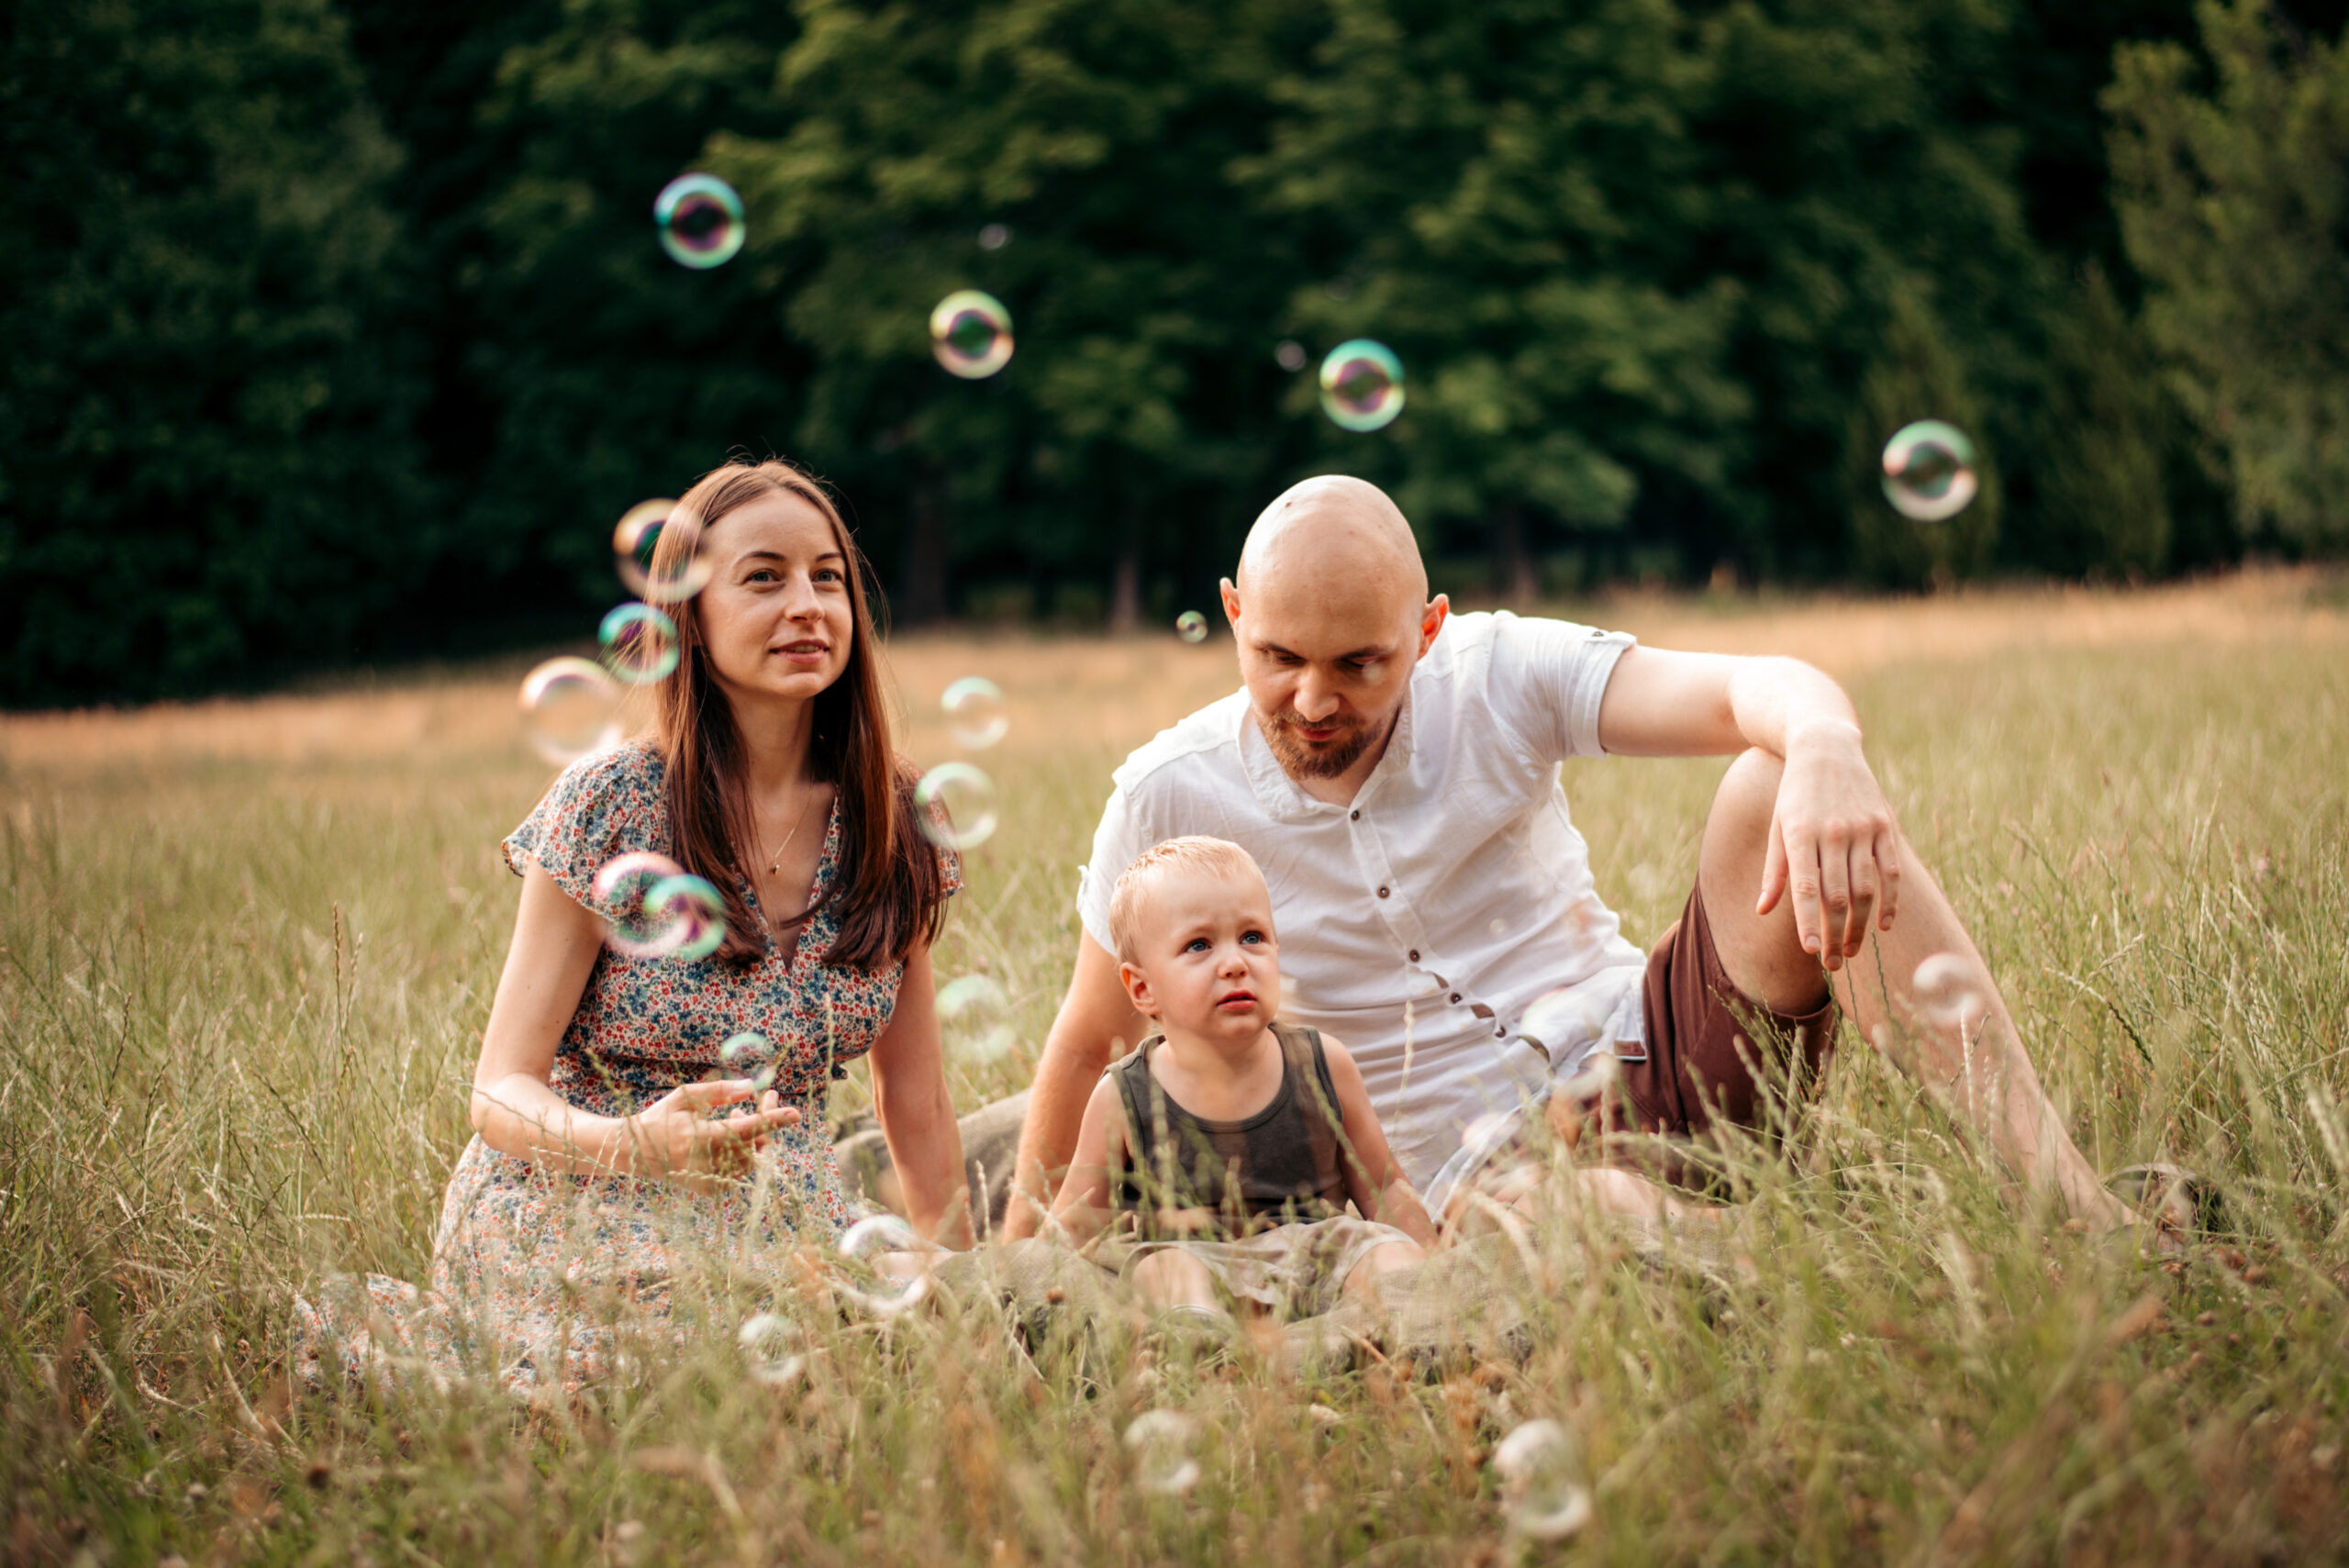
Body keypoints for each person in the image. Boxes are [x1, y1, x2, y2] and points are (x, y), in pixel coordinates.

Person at [1002, 474, 2135, 1240]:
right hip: (1473, 1187)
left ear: (1430, 628)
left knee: (1770, 772)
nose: (1312, 699)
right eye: (1277, 655)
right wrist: (1016, 1261)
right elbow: (1091, 1038)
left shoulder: (1500, 669)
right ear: (1231, 612)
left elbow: (1755, 687)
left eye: (1359, 661)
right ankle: (1796, 1244)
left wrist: (1826, 742)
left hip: (1659, 1055)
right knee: (1593, 1219)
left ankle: (2080, 1213)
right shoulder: (1166, 794)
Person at [296, 457, 971, 1396]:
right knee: (672, 1375)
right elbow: (499, 1087)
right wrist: (631, 1145)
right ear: (687, 617)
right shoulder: (609, 803)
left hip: (778, 1209)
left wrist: (956, 1284)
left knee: (855, 1362)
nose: (808, 604)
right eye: (764, 577)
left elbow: (919, 1100)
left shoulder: (893, 822)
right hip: (576, 1194)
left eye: (828, 576)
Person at [1047, 837, 1436, 1323]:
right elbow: (1072, 1226)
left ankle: (1403, 1320)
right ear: (1144, 989)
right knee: (1163, 1271)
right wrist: (1040, 1287)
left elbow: (1385, 1189)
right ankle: (1202, 1341)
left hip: (1316, 1256)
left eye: (1252, 937)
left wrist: (1429, 1259)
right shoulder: (1125, 1097)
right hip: (1197, 1260)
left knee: (1386, 1255)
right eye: (1199, 945)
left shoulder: (1323, 1065)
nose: (1235, 963)